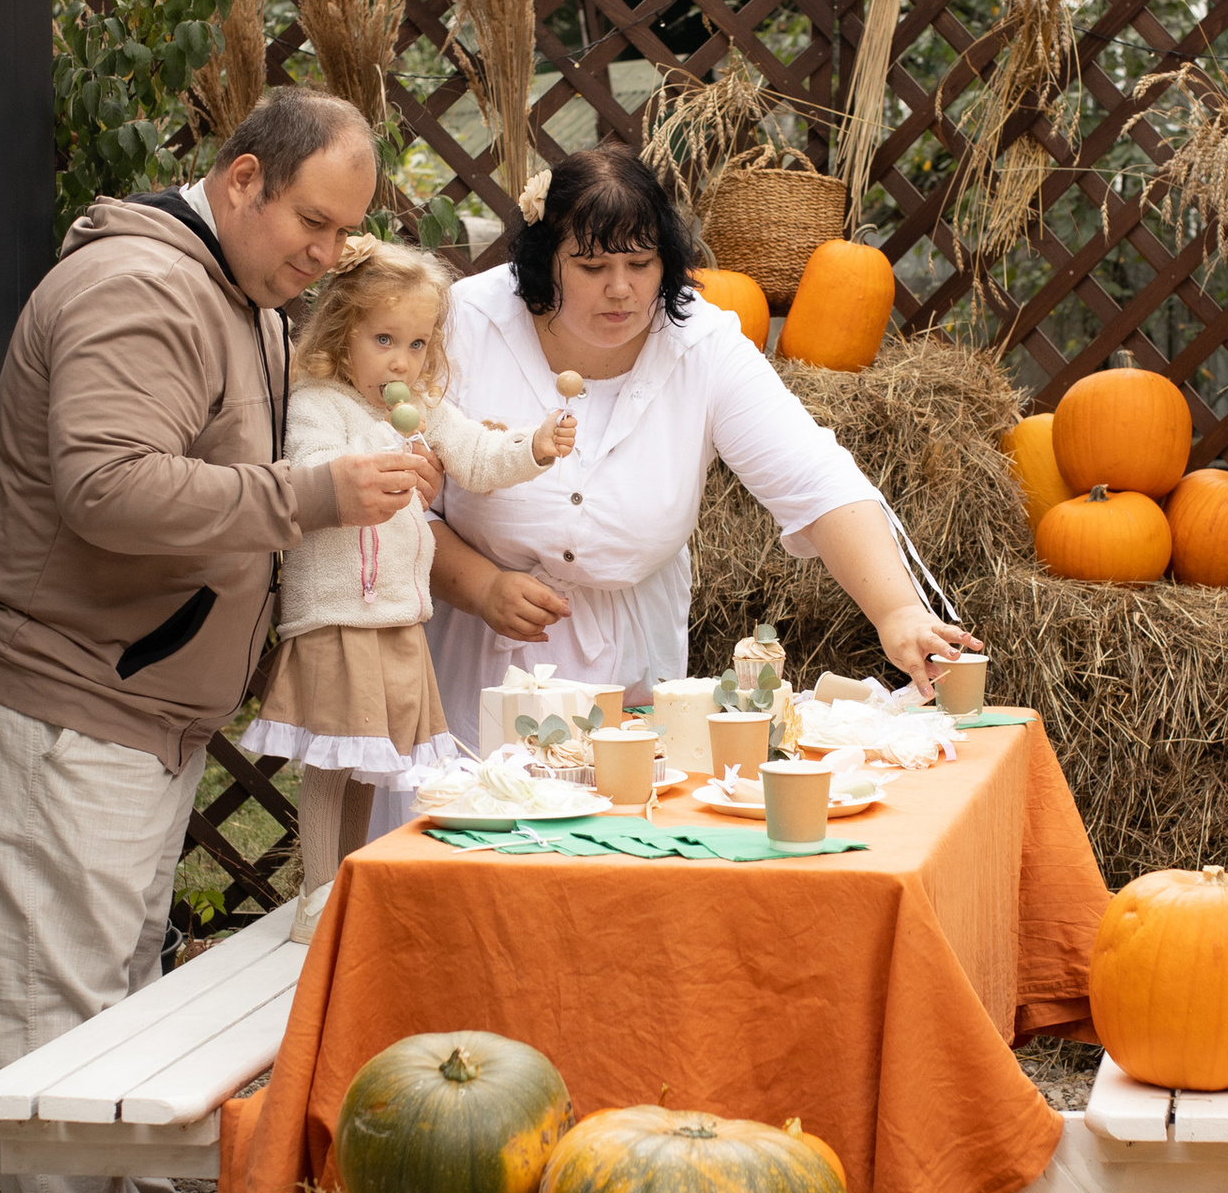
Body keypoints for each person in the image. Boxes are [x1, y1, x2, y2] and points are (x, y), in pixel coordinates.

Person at [0, 88, 428, 1193]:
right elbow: (108, 488)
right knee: (60, 1020)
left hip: (121, 696)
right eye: (312, 223)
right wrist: (312, 497)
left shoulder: (235, 290)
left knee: (106, 1003)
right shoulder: (138, 290)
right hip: (51, 695)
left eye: (345, 233)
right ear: (242, 180)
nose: (327, 255)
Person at [402, 139, 971, 771]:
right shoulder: (461, 324)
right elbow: (399, 497)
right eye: (591, 267)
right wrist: (481, 586)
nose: (621, 289)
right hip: (473, 660)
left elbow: (816, 479)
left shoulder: (702, 342)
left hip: (633, 676)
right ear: (543, 263)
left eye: (641, 263)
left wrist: (897, 612)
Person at [241, 239, 579, 937]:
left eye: (418, 344)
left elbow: (479, 457)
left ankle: (347, 883)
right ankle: (316, 894)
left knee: (371, 762)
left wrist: (535, 445)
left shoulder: (422, 407)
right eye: (384, 340)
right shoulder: (321, 403)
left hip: (396, 616)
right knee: (334, 762)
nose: (402, 362)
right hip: (337, 612)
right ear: (343, 334)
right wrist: (391, 452)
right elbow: (314, 468)